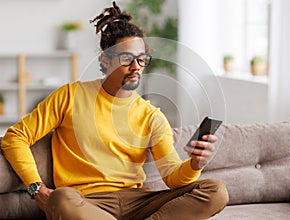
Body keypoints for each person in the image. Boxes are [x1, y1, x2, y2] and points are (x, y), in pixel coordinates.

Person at [1, 2, 228, 219]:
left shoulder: (151, 116)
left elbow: (171, 176)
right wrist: (36, 187)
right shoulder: (69, 96)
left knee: (215, 190)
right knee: (60, 199)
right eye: (127, 58)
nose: (136, 67)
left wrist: (195, 164)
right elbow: (15, 137)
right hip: (85, 201)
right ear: (105, 60)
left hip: (137, 202)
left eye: (141, 59)